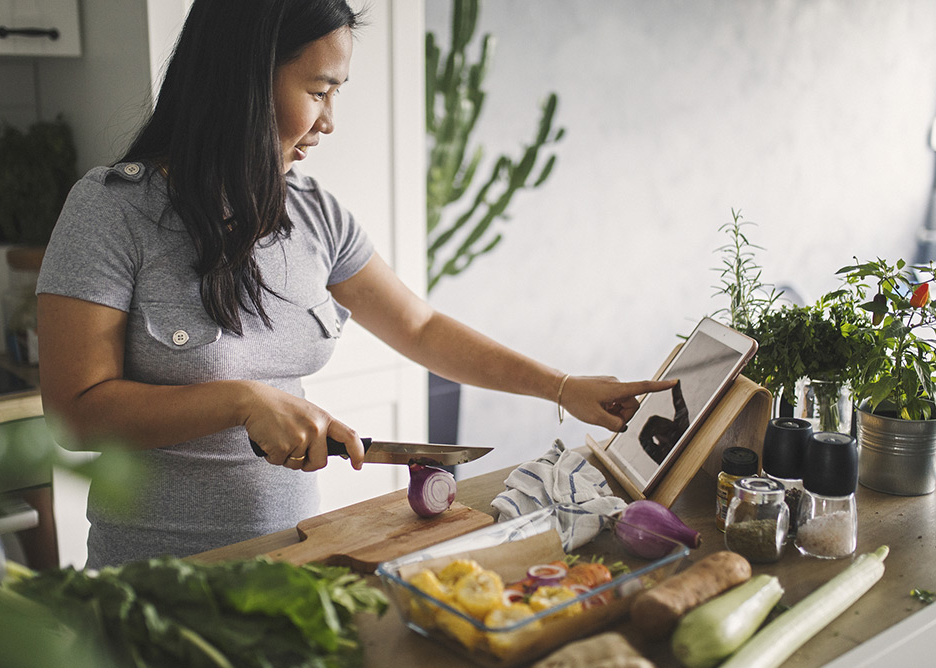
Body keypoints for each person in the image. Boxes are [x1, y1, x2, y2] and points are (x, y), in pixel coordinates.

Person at [36, 0, 676, 568]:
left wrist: (562, 387)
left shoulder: (315, 213)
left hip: (295, 556)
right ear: (243, 83)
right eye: (319, 91)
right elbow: (76, 415)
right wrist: (240, 400)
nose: (329, 121)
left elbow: (420, 328)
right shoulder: (111, 209)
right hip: (157, 576)